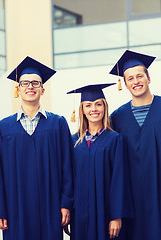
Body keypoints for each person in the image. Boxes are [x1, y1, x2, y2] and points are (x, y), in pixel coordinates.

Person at [0, 56, 73, 240]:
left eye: (35, 83)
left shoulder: (58, 124)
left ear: (43, 89)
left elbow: (68, 167)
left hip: (51, 206)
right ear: (18, 89)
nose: (30, 86)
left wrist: (66, 203)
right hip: (16, 208)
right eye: (25, 83)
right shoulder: (3, 127)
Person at [109, 50, 161, 240]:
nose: (136, 81)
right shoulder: (117, 118)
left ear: (149, 78)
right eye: (130, 78)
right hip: (133, 201)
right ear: (125, 84)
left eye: (139, 76)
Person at [65, 83, 133, 240]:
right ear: (82, 110)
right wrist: (67, 209)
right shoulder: (73, 142)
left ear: (104, 107)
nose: (93, 109)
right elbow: (68, 179)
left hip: (106, 213)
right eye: (88, 105)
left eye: (98, 104)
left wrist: (116, 216)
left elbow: (120, 180)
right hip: (80, 214)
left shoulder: (115, 140)